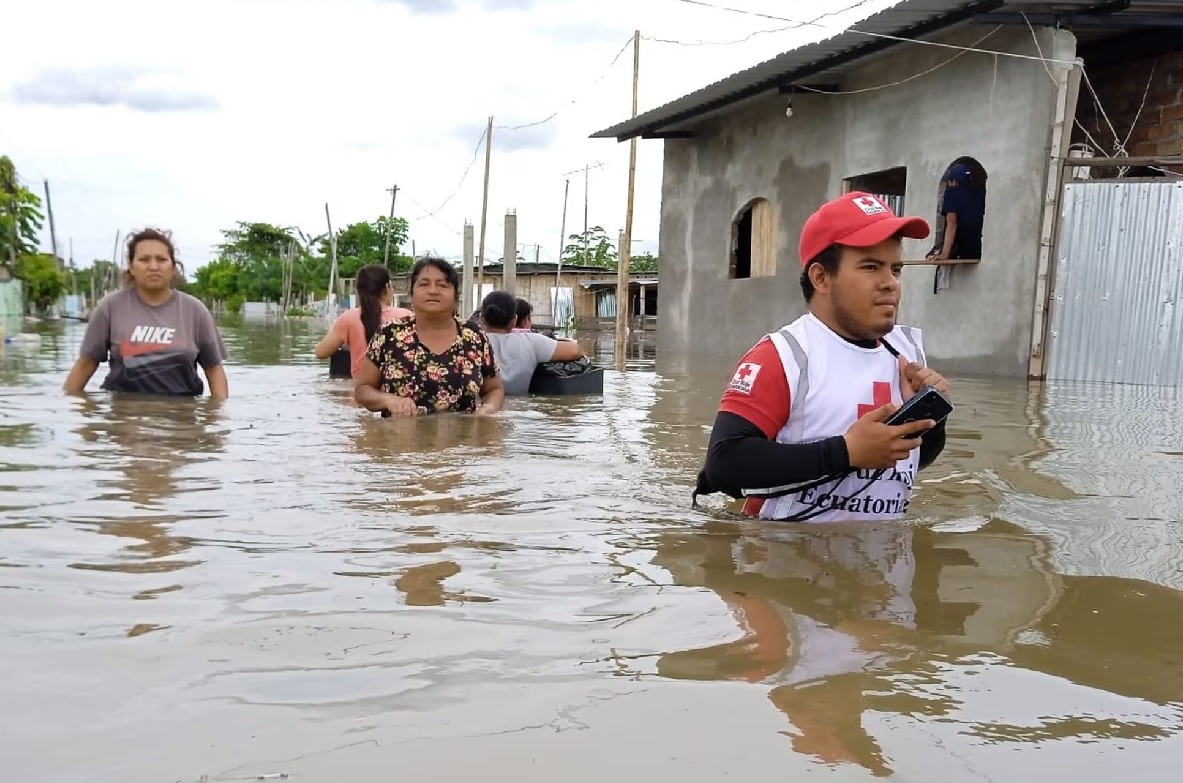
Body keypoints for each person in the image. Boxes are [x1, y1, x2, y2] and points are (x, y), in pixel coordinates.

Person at [694, 191, 951, 523]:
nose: (890, 284)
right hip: (785, 557)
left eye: (896, 269)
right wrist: (847, 453)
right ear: (821, 277)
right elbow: (723, 467)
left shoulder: (907, 352)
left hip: (882, 563)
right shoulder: (783, 356)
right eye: (871, 267)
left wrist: (931, 421)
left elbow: (914, 461)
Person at [63, 228, 229, 398]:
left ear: (173, 267)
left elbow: (214, 370)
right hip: (123, 415)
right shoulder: (110, 307)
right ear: (132, 267)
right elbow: (86, 363)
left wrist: (217, 418)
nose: (153, 266)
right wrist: (71, 412)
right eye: (144, 259)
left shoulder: (196, 311)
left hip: (181, 414)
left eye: (161, 259)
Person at [354, 256, 505, 416]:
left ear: (455, 297)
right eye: (424, 284)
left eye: (442, 285)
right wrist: (390, 400)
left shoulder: (474, 335)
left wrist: (488, 408)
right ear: (411, 294)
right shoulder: (389, 333)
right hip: (399, 437)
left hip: (462, 439)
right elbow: (362, 391)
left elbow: (494, 389)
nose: (433, 291)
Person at [313, 263, 412, 378]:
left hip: (360, 390)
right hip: (395, 388)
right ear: (386, 288)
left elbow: (321, 353)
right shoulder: (406, 316)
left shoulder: (349, 318)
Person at [479, 290, 584, 395]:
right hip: (520, 409)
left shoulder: (471, 342)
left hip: (482, 407)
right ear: (514, 320)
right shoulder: (532, 341)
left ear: (482, 319)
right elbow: (575, 351)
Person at [927, 163, 986, 262]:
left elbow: (952, 225)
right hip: (978, 246)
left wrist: (944, 254)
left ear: (953, 181)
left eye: (950, 182)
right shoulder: (979, 193)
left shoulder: (953, 194)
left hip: (962, 247)